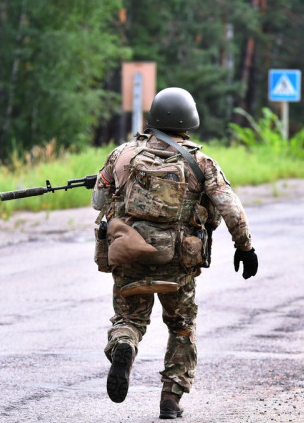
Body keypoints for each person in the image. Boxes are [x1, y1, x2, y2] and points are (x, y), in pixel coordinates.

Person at [91, 87, 258, 419]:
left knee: (129, 319)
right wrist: (245, 247)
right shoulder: (202, 162)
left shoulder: (122, 154)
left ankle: (124, 343)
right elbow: (229, 207)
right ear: (189, 121)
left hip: (131, 255)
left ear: (154, 117)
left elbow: (99, 201)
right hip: (178, 263)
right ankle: (171, 398)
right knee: (181, 325)